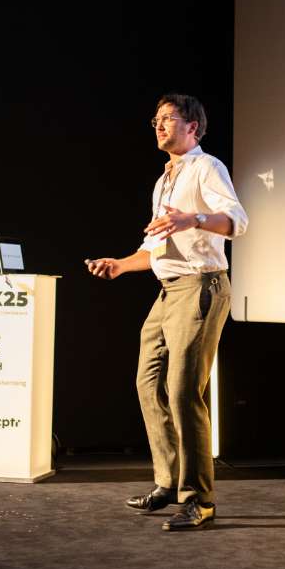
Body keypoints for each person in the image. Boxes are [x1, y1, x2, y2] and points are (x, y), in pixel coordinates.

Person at [87, 94, 247, 531]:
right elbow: (154, 246)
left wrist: (194, 218)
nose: (158, 126)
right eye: (155, 120)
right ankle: (168, 482)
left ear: (192, 126)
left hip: (201, 286)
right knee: (148, 383)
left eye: (168, 119)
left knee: (182, 391)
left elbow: (237, 221)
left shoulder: (207, 167)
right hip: (167, 291)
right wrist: (120, 265)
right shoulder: (164, 181)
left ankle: (198, 499)